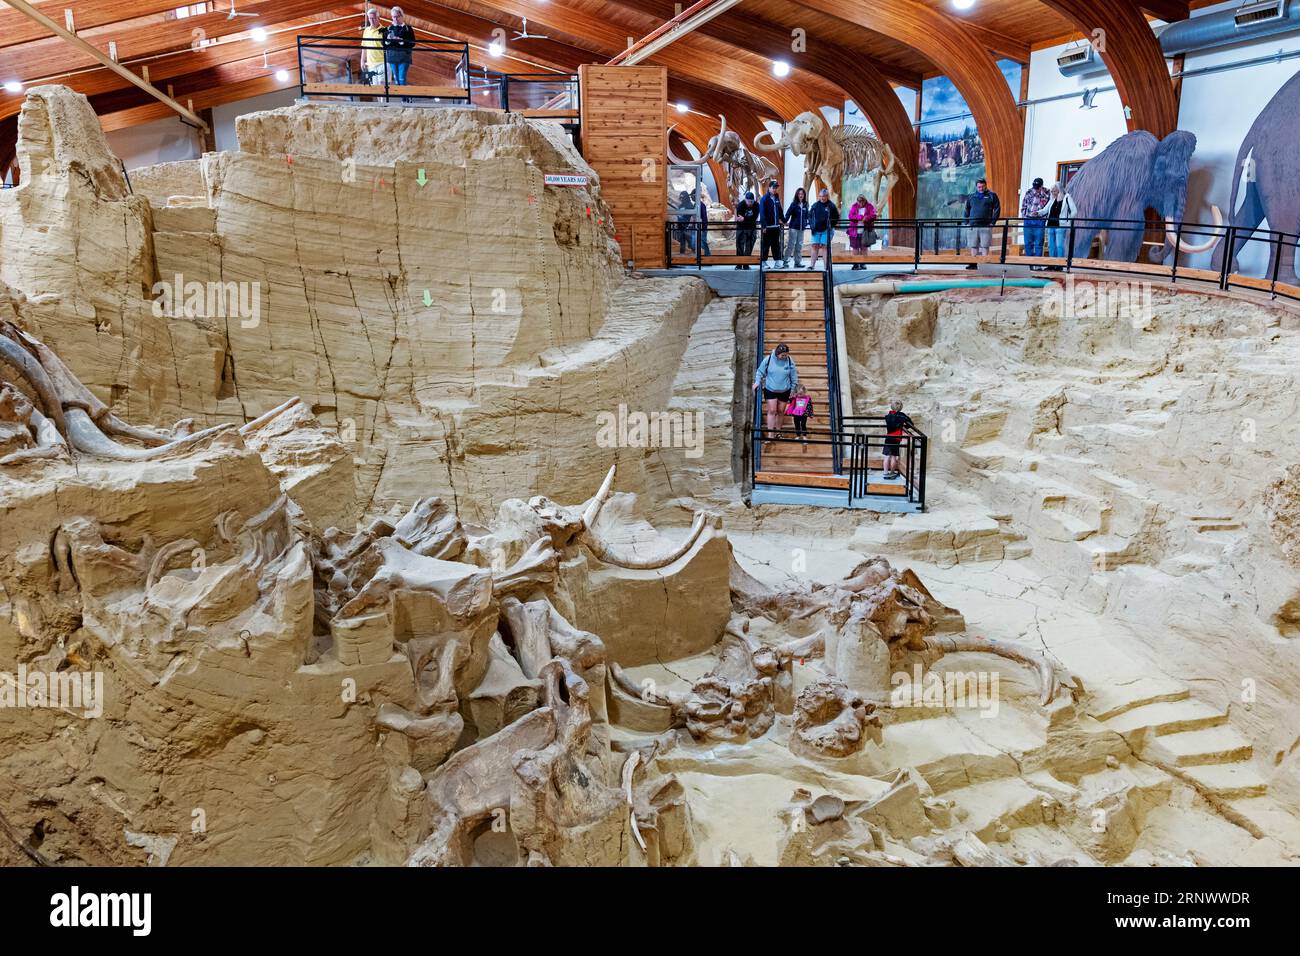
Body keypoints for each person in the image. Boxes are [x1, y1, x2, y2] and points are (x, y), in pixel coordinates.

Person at [753, 343, 799, 449]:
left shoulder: (789, 360)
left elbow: (794, 376)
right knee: (772, 410)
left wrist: (793, 389)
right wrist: (757, 382)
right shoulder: (768, 359)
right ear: (777, 353)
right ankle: (770, 434)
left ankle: (778, 432)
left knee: (780, 411)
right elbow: (760, 372)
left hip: (785, 390)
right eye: (783, 355)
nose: (784, 356)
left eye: (786, 354)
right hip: (771, 389)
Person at [964, 178, 1001, 269]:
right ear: (976, 187)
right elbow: (966, 209)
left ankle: (985, 265)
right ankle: (973, 264)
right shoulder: (971, 196)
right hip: (973, 225)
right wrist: (966, 222)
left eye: (983, 186)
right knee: (973, 245)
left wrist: (993, 222)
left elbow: (997, 209)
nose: (981, 188)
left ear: (986, 186)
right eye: (979, 187)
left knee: (985, 246)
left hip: (986, 226)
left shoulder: (992, 195)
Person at [384, 7, 416, 99]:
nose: (395, 19)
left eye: (397, 16)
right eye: (393, 17)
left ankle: (404, 99)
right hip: (392, 57)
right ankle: (404, 97)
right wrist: (388, 40)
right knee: (396, 78)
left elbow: (413, 43)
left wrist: (402, 41)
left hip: (404, 57)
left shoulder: (408, 28)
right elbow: (383, 43)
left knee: (402, 77)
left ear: (402, 16)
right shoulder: (388, 28)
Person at [1045, 182, 1078, 266]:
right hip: (1050, 224)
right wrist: (1037, 212)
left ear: (1059, 190)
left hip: (1060, 225)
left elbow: (1074, 211)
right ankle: (1051, 264)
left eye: (1054, 191)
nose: (1053, 193)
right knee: (1051, 245)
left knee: (1059, 245)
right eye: (1052, 191)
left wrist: (1067, 220)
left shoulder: (1067, 197)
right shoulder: (1052, 199)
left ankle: (1059, 264)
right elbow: (1045, 210)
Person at [807, 187, 840, 271]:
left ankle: (826, 267)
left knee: (825, 247)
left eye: (824, 196)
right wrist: (812, 225)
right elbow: (810, 216)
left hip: (826, 230)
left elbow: (836, 217)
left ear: (827, 196)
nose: (822, 198)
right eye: (820, 196)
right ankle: (812, 265)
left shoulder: (831, 205)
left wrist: (831, 226)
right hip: (816, 230)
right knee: (814, 246)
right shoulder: (815, 205)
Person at [882, 400, 915, 480]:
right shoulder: (902, 416)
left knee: (887, 456)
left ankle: (885, 473)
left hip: (889, 437)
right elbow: (911, 424)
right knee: (893, 457)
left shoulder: (888, 415)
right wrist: (902, 427)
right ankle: (892, 473)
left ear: (892, 406)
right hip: (897, 437)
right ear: (901, 407)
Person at [1021, 176, 1051, 261]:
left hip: (1039, 220)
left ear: (1041, 186)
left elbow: (1048, 207)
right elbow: (1024, 205)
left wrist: (1043, 217)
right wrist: (1025, 216)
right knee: (1028, 243)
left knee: (1039, 243)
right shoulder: (1029, 192)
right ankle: (1029, 262)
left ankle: (1037, 263)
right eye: (1034, 187)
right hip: (1028, 220)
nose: (1035, 189)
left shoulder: (1048, 193)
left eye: (1037, 188)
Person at [759, 179, 787, 268]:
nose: (775, 189)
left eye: (776, 188)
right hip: (767, 227)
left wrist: (784, 221)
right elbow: (762, 213)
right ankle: (763, 262)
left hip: (776, 226)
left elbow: (780, 211)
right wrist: (764, 226)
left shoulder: (776, 198)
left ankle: (777, 262)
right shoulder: (764, 199)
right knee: (766, 245)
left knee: (776, 245)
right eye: (773, 187)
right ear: (769, 188)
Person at [847, 194, 878, 270]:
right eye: (859, 201)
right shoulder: (854, 206)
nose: (860, 203)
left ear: (865, 200)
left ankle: (863, 263)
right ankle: (856, 263)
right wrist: (860, 217)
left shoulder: (869, 206)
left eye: (862, 201)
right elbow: (850, 216)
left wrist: (866, 218)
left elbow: (874, 215)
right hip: (855, 231)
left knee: (864, 248)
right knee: (855, 248)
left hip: (865, 231)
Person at [734, 191, 760, 270]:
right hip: (741, 228)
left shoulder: (756, 205)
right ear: (745, 200)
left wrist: (745, 219)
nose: (750, 203)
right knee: (740, 246)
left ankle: (746, 264)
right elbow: (739, 219)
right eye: (748, 201)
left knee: (749, 246)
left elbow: (754, 218)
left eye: (751, 201)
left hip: (752, 228)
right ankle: (739, 265)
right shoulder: (741, 205)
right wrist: (747, 219)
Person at [361, 7, 387, 86]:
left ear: (378, 18)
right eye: (370, 18)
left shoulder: (384, 30)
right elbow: (364, 47)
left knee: (382, 85)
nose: (372, 20)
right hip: (371, 64)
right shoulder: (366, 30)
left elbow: (389, 46)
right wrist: (362, 61)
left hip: (382, 62)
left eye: (374, 18)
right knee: (375, 87)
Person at [784, 187, 809, 268]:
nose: (801, 195)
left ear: (804, 195)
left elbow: (807, 216)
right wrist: (784, 221)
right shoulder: (794, 204)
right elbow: (788, 214)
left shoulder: (805, 204)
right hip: (793, 228)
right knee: (791, 244)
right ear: (797, 195)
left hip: (801, 229)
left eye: (802, 194)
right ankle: (785, 261)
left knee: (799, 245)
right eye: (799, 194)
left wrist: (806, 223)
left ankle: (797, 262)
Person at [786, 384, 814, 449]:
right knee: (797, 424)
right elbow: (789, 401)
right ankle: (798, 435)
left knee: (803, 424)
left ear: (804, 392)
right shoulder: (795, 398)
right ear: (796, 393)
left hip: (804, 413)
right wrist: (791, 396)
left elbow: (809, 406)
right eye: (798, 394)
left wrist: (809, 413)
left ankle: (804, 436)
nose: (800, 395)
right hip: (796, 413)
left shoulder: (807, 398)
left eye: (801, 393)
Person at [675, 190, 695, 254]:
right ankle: (682, 253)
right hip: (681, 226)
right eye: (680, 197)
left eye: (682, 197)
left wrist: (689, 225)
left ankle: (695, 253)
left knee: (690, 242)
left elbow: (693, 216)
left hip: (687, 227)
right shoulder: (681, 205)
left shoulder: (690, 205)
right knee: (682, 242)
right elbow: (678, 215)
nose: (681, 199)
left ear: (685, 197)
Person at [696, 189, 713, 256]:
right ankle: (705, 255)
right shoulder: (697, 205)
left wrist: (704, 227)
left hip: (702, 227)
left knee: (703, 241)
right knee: (700, 241)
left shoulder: (701, 205)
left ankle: (707, 255)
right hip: (700, 227)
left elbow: (704, 217)